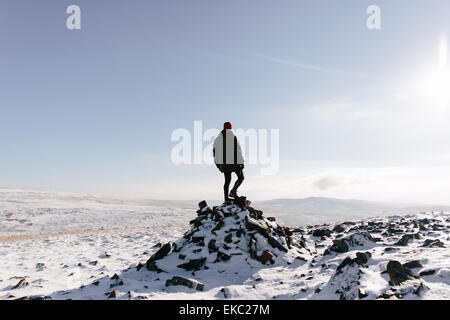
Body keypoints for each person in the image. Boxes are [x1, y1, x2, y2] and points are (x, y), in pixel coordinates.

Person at [213, 122, 245, 201]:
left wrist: (218, 165)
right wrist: (241, 162)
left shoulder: (217, 139)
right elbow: (238, 151)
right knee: (241, 177)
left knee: (227, 181)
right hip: (235, 163)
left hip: (224, 164)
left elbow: (214, 152)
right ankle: (233, 191)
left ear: (223, 128)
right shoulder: (233, 137)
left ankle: (226, 199)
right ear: (231, 128)